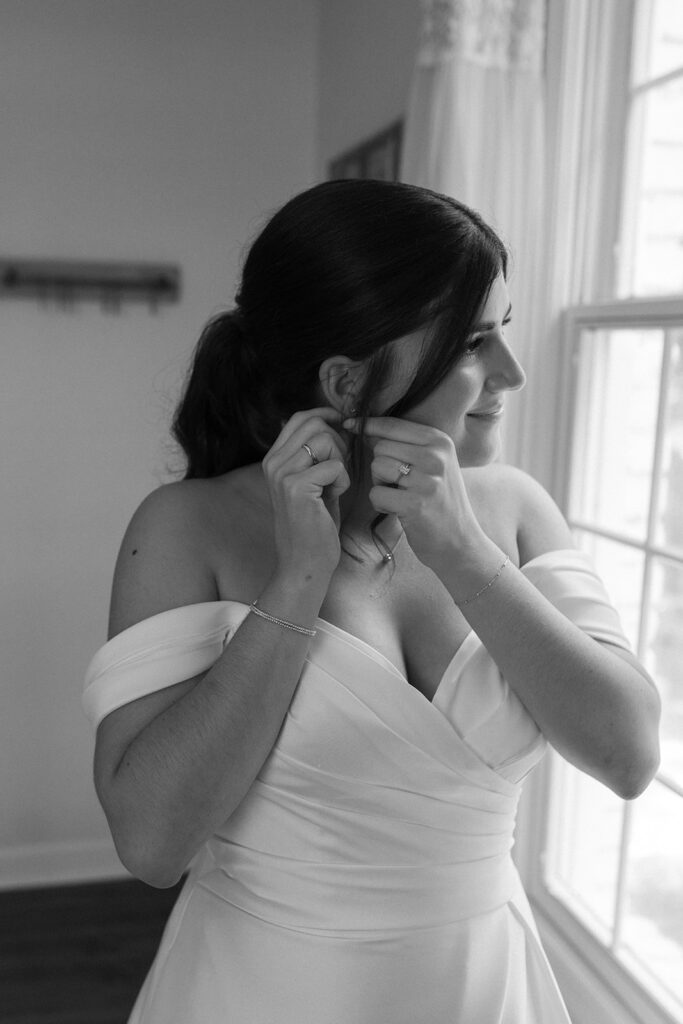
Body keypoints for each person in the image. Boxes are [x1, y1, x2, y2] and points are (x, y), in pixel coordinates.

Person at [83, 179, 660, 1023]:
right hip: (268, 991)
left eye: (502, 331)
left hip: (484, 987)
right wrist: (296, 584)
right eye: (474, 344)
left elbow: (629, 754)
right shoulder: (185, 528)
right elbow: (151, 843)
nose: (512, 371)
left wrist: (461, 550)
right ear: (348, 384)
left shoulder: (513, 509)